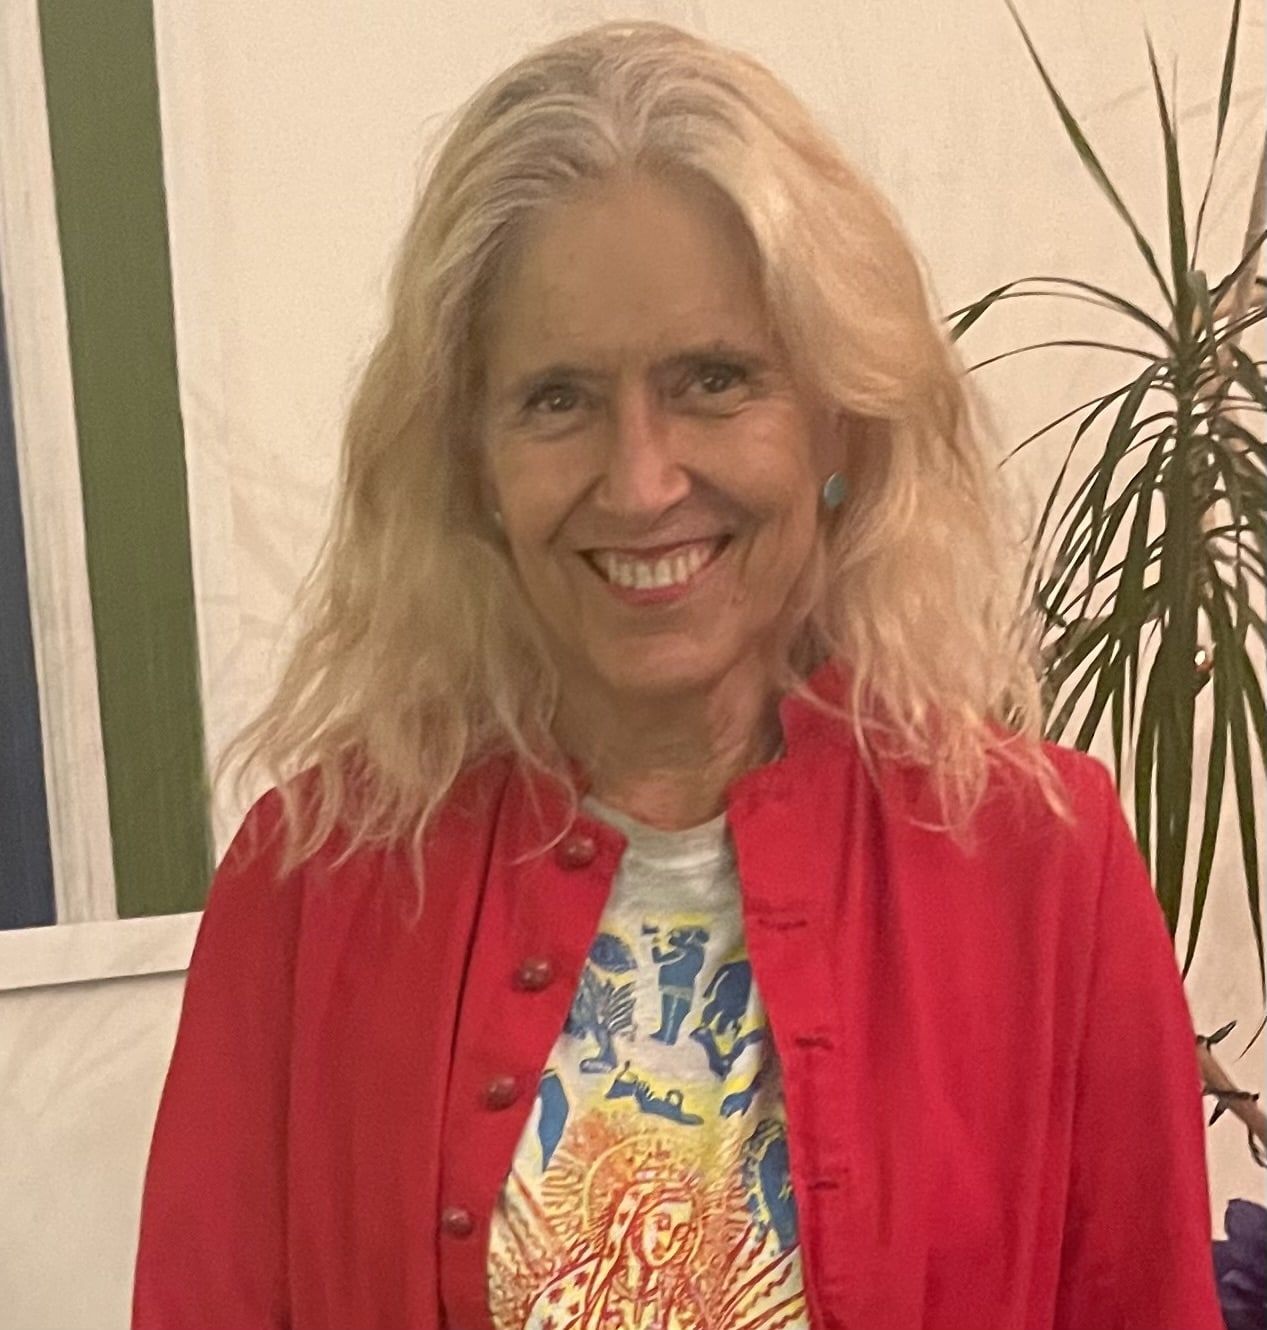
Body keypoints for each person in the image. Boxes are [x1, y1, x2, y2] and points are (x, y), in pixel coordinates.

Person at [132, 19, 1222, 1330]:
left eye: (714, 380)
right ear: (472, 463)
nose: (642, 481)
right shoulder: (311, 888)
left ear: (837, 423)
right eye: (557, 398)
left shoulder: (1044, 867)